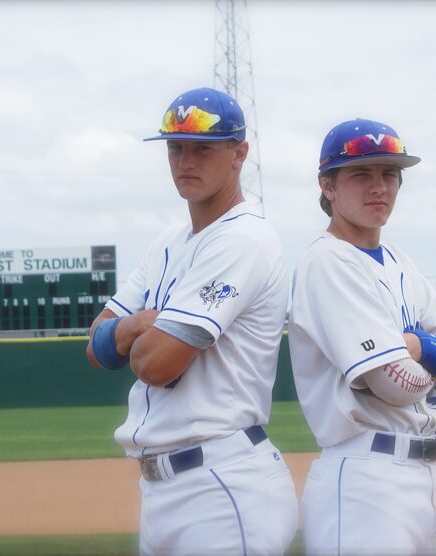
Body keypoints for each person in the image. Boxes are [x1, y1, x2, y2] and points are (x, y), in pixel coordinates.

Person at [86, 87, 298, 555]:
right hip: (166, 488)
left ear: (239, 153)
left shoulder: (244, 239)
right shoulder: (170, 240)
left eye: (203, 148)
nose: (186, 161)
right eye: (176, 147)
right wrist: (137, 324)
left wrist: (132, 337)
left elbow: (155, 364)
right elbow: (96, 347)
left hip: (223, 484)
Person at [288, 118, 436, 555]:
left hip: (418, 477)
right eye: (361, 174)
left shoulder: (399, 260)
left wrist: (417, 346)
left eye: (389, 174)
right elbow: (393, 384)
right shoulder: (327, 261)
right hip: (364, 480)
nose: (379, 187)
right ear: (328, 186)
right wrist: (430, 357)